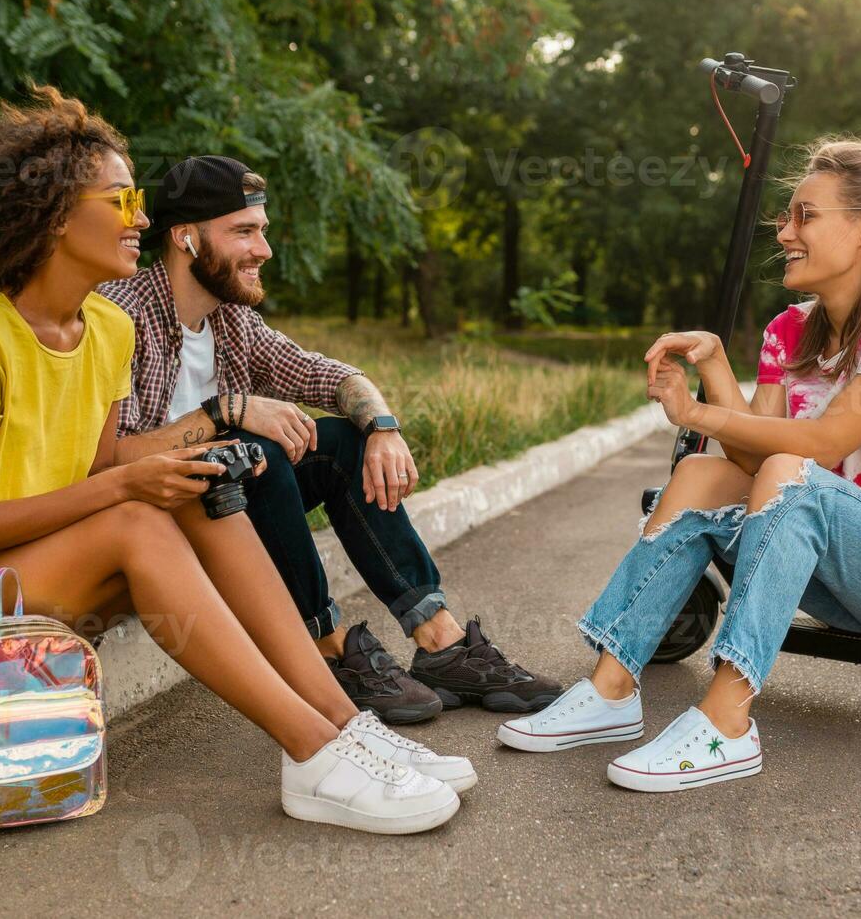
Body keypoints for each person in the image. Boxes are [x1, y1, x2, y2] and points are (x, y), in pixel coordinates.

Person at [0, 86, 473, 835]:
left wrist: (160, 473)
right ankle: (313, 751)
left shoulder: (105, 332)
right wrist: (133, 481)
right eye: (121, 201)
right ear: (57, 215)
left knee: (199, 486)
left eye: (139, 200)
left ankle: (344, 723)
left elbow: (91, 474)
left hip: (30, 569)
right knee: (139, 520)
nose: (142, 219)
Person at [496, 121, 861, 793]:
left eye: (805, 216)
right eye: (787, 218)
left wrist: (697, 412)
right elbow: (751, 452)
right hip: (844, 579)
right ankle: (611, 691)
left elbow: (818, 447)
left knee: (796, 474)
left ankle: (728, 723)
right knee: (703, 473)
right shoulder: (790, 331)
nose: (785, 232)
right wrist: (715, 368)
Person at [98, 155, 560, 725]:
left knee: (343, 443)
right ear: (186, 238)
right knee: (255, 449)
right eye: (244, 231)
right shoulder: (121, 314)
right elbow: (107, 462)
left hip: (232, 508)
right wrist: (227, 411)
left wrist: (382, 427)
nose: (263, 249)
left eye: (262, 231)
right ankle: (327, 648)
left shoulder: (232, 321)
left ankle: (441, 643)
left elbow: (326, 374)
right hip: (158, 524)